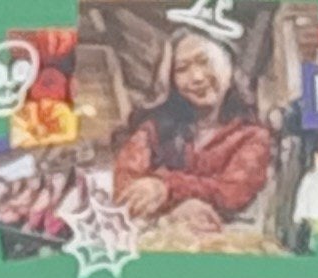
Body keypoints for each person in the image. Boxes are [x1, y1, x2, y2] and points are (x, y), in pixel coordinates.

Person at [110, 23, 276, 230]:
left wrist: (167, 188)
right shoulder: (153, 129)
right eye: (182, 69)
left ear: (230, 66)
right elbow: (125, 185)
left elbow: (233, 192)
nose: (196, 77)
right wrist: (174, 212)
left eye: (204, 62)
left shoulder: (252, 136)